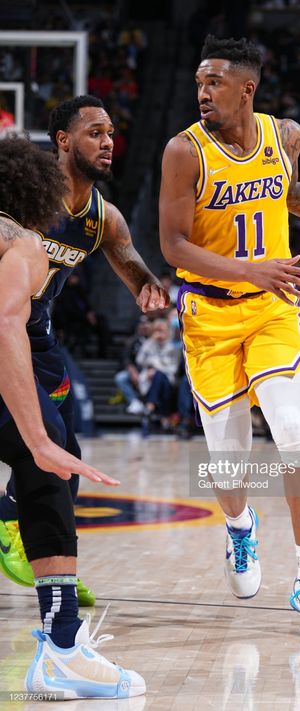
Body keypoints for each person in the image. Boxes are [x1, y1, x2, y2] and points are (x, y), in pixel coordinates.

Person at [159, 35, 300, 638]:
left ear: (246, 89)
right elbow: (173, 245)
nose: (202, 92)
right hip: (210, 314)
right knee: (230, 462)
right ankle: (241, 527)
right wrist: (253, 269)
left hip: (273, 308)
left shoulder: (285, 136)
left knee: (295, 436)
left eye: (214, 83)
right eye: (199, 82)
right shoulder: (182, 152)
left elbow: (287, 192)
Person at [0, 95, 169, 604]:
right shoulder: (21, 199)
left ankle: (41, 554)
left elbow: (131, 262)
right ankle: (22, 537)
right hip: (6, 326)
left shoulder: (102, 218)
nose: (108, 142)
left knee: (65, 454)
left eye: (112, 133)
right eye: (95, 132)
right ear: (63, 140)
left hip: (39, 338)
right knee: (41, 445)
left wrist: (147, 287)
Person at [0, 134, 145, 699]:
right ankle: (62, 649)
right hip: (20, 357)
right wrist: (36, 437)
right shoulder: (26, 245)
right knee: (52, 466)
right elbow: (7, 324)